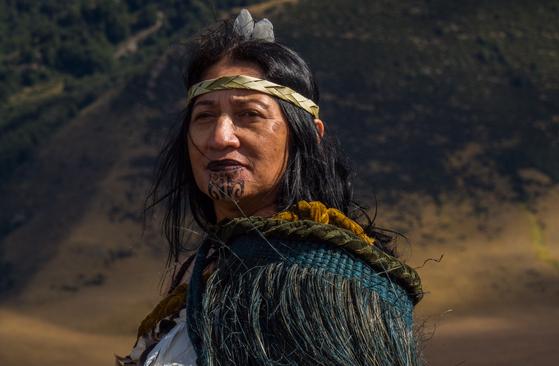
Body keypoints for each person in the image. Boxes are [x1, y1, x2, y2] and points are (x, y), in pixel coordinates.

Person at [117, 9, 423, 366]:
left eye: (249, 115)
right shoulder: (198, 285)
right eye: (204, 116)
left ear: (307, 136)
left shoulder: (328, 285)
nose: (220, 137)